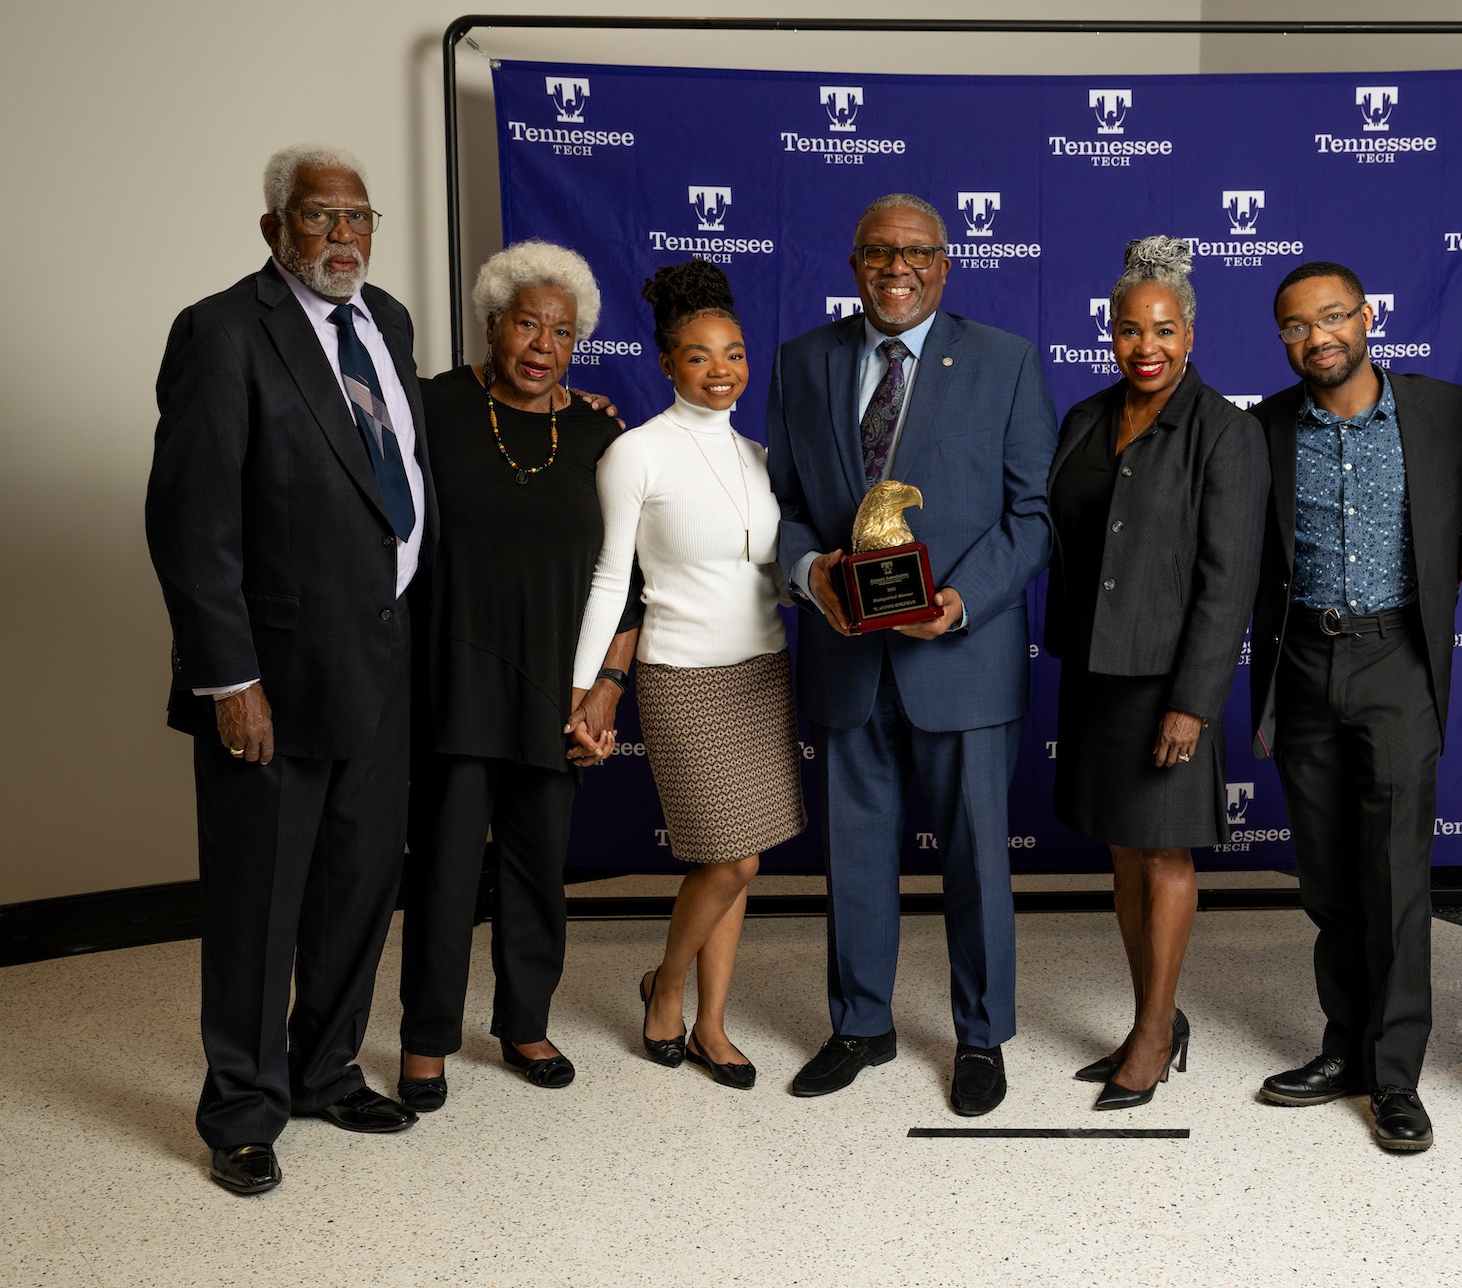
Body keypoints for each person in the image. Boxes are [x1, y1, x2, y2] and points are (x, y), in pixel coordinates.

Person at [145, 144, 433, 1194]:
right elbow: (190, 524)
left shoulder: (387, 322)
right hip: (269, 676)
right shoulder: (222, 333)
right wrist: (229, 679)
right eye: (321, 217)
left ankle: (323, 1069)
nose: (344, 237)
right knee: (260, 901)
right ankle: (242, 1108)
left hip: (384, 656)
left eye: (359, 218)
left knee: (359, 884)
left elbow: (388, 476)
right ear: (274, 229)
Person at [765, 193, 1057, 1117]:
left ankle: (981, 1036)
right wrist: (810, 572)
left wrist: (963, 601)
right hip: (846, 658)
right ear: (854, 263)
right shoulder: (800, 360)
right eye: (879, 252)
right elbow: (778, 505)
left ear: (946, 262)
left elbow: (1032, 516)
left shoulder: (1005, 363)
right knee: (853, 855)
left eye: (917, 252)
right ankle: (860, 1023)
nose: (898, 267)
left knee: (976, 858)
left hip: (961, 659)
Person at [1246, 260, 1462, 1152]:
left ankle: (1394, 1076)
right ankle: (1343, 1046)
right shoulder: (1266, 426)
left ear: (1368, 316)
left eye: (1335, 317)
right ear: (1283, 338)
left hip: (1397, 658)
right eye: (1298, 326)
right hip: (1304, 657)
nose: (1320, 337)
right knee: (1328, 876)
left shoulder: (1448, 412)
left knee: (1395, 876)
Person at [394, 241, 641, 1109]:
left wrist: (607, 687)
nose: (544, 344)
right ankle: (425, 1038)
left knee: (540, 871)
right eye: (528, 323)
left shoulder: (602, 435)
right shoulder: (432, 408)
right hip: (453, 683)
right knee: (445, 872)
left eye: (563, 332)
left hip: (556, 693)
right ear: (493, 325)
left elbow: (631, 580)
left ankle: (524, 1022)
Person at [570, 258, 806, 1092]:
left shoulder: (759, 455)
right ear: (667, 362)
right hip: (681, 675)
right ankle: (666, 984)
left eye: (734, 352)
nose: (721, 370)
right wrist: (585, 685)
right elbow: (610, 577)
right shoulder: (635, 453)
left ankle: (710, 1020)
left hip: (762, 671)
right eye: (700, 355)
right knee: (729, 857)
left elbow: (780, 565)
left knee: (743, 856)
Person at [1045, 237, 1268, 1111]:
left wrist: (1193, 701)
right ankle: (1151, 1015)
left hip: (1166, 682)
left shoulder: (1226, 431)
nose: (1147, 346)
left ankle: (1152, 1028)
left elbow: (1228, 578)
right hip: (1096, 672)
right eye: (1129, 329)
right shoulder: (1086, 418)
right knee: (1123, 851)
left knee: (1164, 852)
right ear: (1109, 333)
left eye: (1164, 330)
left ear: (1191, 332)